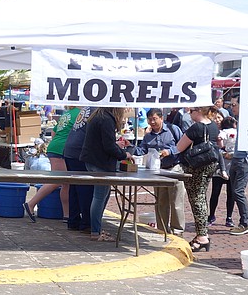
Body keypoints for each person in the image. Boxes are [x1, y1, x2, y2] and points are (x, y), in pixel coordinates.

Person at [126, 108, 186, 236]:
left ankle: (177, 230)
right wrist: (129, 147)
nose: (152, 122)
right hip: (158, 170)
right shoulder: (148, 136)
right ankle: (162, 228)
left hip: (174, 168)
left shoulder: (173, 129)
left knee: (176, 201)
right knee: (161, 201)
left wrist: (169, 151)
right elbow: (142, 150)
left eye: (155, 119)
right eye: (150, 120)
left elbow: (182, 145)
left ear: (161, 118)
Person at [80, 107, 131, 241]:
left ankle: (97, 229)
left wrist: (117, 147)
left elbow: (104, 143)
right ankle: (95, 232)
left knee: (102, 195)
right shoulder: (106, 119)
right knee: (99, 197)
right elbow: (108, 146)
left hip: (91, 160)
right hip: (100, 163)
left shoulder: (97, 116)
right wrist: (124, 154)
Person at [176, 106, 220, 252]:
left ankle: (202, 236)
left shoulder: (196, 128)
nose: (190, 113)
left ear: (200, 111)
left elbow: (180, 147)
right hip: (211, 163)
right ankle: (202, 233)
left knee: (197, 199)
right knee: (202, 197)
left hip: (197, 166)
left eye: (192, 110)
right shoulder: (213, 126)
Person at [23, 106, 78, 222]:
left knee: (65, 183)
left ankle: (66, 215)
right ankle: (31, 204)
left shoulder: (66, 114)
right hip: (61, 149)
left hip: (55, 146)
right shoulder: (80, 113)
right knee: (57, 181)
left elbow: (54, 132)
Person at [227, 96, 248, 235]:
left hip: (245, 160)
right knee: (235, 191)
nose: (232, 107)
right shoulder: (240, 120)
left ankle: (245, 223)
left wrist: (245, 158)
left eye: (234, 105)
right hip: (237, 158)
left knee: (238, 191)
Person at [62, 107, 94, 232]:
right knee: (85, 188)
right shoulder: (98, 111)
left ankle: (73, 221)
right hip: (78, 152)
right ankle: (86, 223)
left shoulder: (87, 109)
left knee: (74, 188)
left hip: (70, 150)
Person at [208, 115, 237, 226]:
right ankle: (228, 218)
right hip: (230, 166)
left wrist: (222, 149)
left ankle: (211, 216)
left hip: (220, 166)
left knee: (216, 192)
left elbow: (218, 140)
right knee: (230, 194)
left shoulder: (221, 132)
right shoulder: (234, 132)